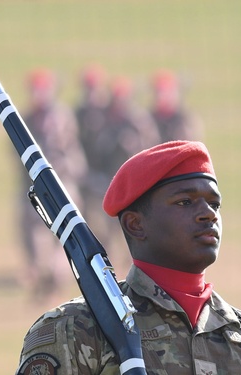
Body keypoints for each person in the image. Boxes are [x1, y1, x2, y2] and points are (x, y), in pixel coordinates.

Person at [15, 141, 241, 374]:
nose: (209, 214)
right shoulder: (76, 330)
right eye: (185, 202)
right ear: (136, 224)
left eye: (214, 204)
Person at [76, 74, 160, 278]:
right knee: (99, 221)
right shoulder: (101, 120)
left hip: (131, 180)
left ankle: (131, 258)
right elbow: (93, 149)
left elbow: (148, 147)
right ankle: (106, 256)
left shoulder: (138, 121)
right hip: (103, 179)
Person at [17, 68, 88, 304]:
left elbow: (65, 152)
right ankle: (43, 276)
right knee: (33, 235)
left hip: (61, 183)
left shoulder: (57, 117)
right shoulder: (27, 118)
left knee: (63, 236)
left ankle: (54, 280)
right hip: (35, 186)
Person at [149, 69, 203, 143]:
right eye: (160, 92)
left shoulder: (185, 119)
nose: (164, 96)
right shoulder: (147, 120)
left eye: (169, 92)